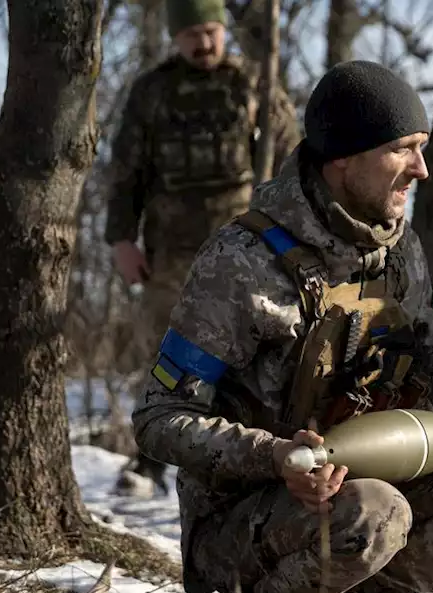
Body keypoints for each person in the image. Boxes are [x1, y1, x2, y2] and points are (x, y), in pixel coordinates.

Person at [131, 60, 433, 593]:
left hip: (360, 482)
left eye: (423, 150)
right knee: (376, 510)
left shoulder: (397, 248)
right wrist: (271, 455)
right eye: (402, 151)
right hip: (245, 518)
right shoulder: (242, 262)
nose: (422, 170)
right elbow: (158, 417)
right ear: (343, 162)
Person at [105, 0, 302, 493]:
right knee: (166, 358)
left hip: (245, 248)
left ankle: (250, 457)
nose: (203, 43)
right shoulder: (152, 92)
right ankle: (150, 461)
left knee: (249, 356)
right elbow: (125, 172)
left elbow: (295, 159)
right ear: (176, 36)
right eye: (191, 33)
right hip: (170, 250)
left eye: (210, 31)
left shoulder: (253, 84)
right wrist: (121, 239)